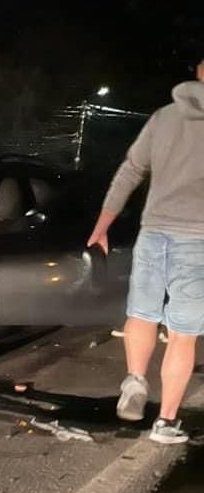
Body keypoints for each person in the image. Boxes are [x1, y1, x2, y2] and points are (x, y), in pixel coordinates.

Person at [87, 57, 204, 444]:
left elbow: (130, 171)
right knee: (183, 334)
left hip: (153, 234)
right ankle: (165, 423)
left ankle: (135, 379)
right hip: (198, 240)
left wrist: (102, 225)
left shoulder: (163, 118)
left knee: (141, 313)